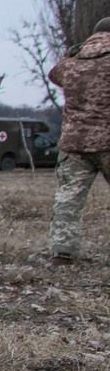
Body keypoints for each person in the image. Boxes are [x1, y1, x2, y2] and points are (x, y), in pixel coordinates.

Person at [49, 16, 110, 262]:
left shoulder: (73, 61)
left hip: (74, 143)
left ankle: (63, 251)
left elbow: (55, 74)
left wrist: (70, 54)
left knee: (68, 198)